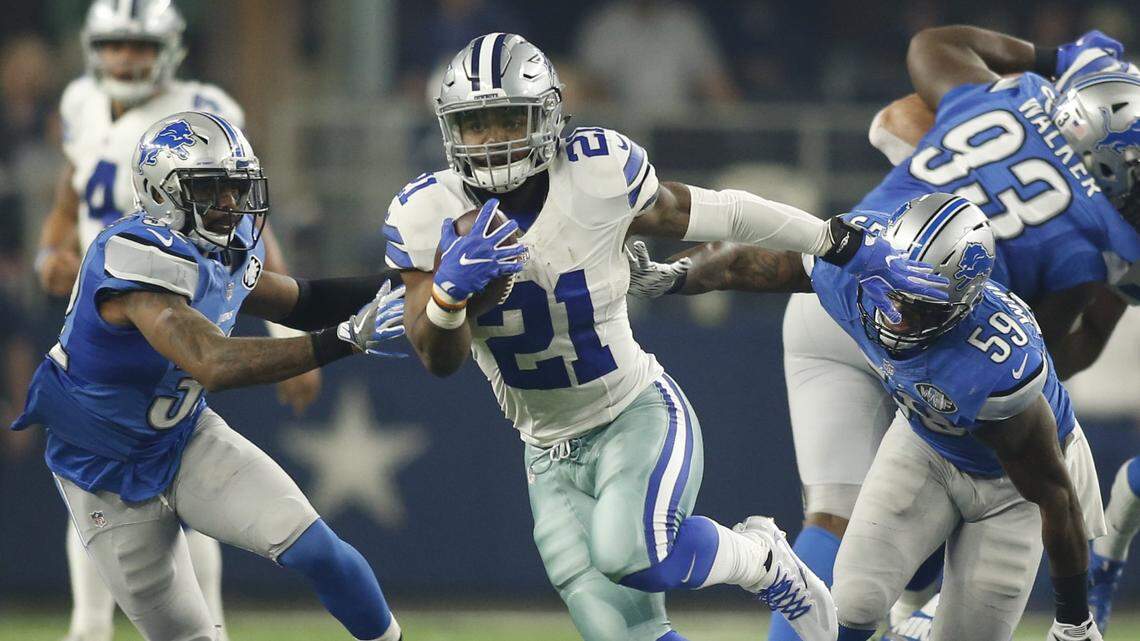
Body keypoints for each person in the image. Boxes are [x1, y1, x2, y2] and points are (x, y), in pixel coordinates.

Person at [383, 32, 946, 641]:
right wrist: (448, 296)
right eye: (476, 124)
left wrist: (839, 241)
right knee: (623, 633)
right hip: (545, 452)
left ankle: (762, 558)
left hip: (633, 413)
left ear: (547, 115)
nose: (492, 139)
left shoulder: (595, 172)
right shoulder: (425, 211)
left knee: (635, 554)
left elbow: (722, 211)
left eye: (505, 119)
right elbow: (435, 356)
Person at [625, 25, 1140, 639]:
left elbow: (927, 55)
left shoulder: (997, 102)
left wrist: (678, 276)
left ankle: (910, 609)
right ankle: (915, 610)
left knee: (842, 520)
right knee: (956, 465)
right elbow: (1051, 361)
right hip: (934, 331)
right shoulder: (1085, 246)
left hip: (850, 286)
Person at [637, 193, 1108, 639]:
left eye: (918, 305)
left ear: (960, 306)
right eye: (894, 290)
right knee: (854, 602)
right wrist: (678, 275)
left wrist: (1074, 618)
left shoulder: (992, 365)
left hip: (1007, 488)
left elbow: (1055, 496)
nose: (896, 314)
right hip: (924, 441)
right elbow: (754, 259)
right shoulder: (859, 269)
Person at [11, 112, 406, 641]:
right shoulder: (133, 256)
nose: (229, 203)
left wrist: (414, 281)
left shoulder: (229, 242)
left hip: (182, 438)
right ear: (161, 192)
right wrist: (345, 339)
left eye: (235, 187)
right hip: (103, 471)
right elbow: (211, 362)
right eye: (211, 188)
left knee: (318, 550)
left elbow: (302, 300)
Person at [34, 4, 322, 640]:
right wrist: (48, 254)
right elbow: (68, 196)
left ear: (170, 48)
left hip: (178, 308)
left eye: (138, 46)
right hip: (105, 311)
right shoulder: (82, 101)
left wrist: (284, 330)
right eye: (112, 46)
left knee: (172, 473)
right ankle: (90, 627)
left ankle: (199, 624)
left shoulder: (199, 106)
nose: (124, 60)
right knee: (96, 465)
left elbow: (243, 225)